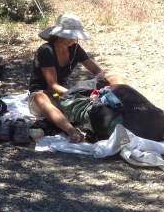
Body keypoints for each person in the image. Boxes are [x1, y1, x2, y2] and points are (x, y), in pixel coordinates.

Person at [28, 13, 125, 143]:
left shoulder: (75, 49)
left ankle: (128, 108)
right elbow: (53, 86)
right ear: (58, 34)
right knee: (40, 97)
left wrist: (96, 84)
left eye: (75, 36)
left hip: (66, 91)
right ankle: (71, 131)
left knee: (116, 78)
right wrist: (74, 94)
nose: (73, 39)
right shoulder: (46, 50)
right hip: (46, 93)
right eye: (69, 36)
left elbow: (98, 71)